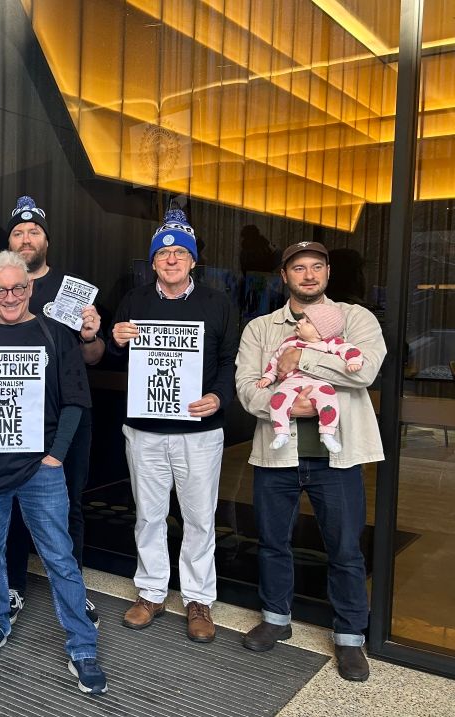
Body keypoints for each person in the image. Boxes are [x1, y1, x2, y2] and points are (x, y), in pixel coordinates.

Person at [0, 250, 107, 696]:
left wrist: (56, 455)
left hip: (41, 468)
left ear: (30, 288)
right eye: (0, 290)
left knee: (59, 556)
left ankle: (83, 645)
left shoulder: (56, 334)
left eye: (18, 287)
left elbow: (77, 400)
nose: (10, 296)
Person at [235, 241, 385, 682]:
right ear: (284, 276)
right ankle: (275, 619)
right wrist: (281, 405)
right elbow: (246, 388)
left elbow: (366, 371)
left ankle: (349, 638)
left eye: (316, 267)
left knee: (344, 549)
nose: (308, 275)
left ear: (327, 273)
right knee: (273, 541)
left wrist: (301, 357)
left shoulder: (356, 319)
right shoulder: (261, 328)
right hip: (277, 454)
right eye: (298, 268)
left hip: (337, 457)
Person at [109, 204, 237, 643]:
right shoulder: (134, 301)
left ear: (193, 261)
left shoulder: (217, 303)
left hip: (199, 432)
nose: (171, 260)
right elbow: (115, 357)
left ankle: (198, 599)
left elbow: (228, 362)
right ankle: (151, 592)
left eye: (180, 254)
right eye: (163, 255)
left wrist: (219, 397)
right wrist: (116, 338)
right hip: (144, 429)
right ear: (153, 262)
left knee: (200, 518)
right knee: (149, 516)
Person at [255, 302, 363, 453]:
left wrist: (353, 361)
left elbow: (349, 350)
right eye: (302, 318)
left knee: (329, 400)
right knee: (278, 398)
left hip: (318, 382)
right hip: (291, 381)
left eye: (307, 321)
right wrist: (269, 376)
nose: (300, 321)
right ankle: (281, 432)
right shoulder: (290, 342)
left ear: (320, 332)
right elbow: (275, 360)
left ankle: (327, 433)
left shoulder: (330, 343)